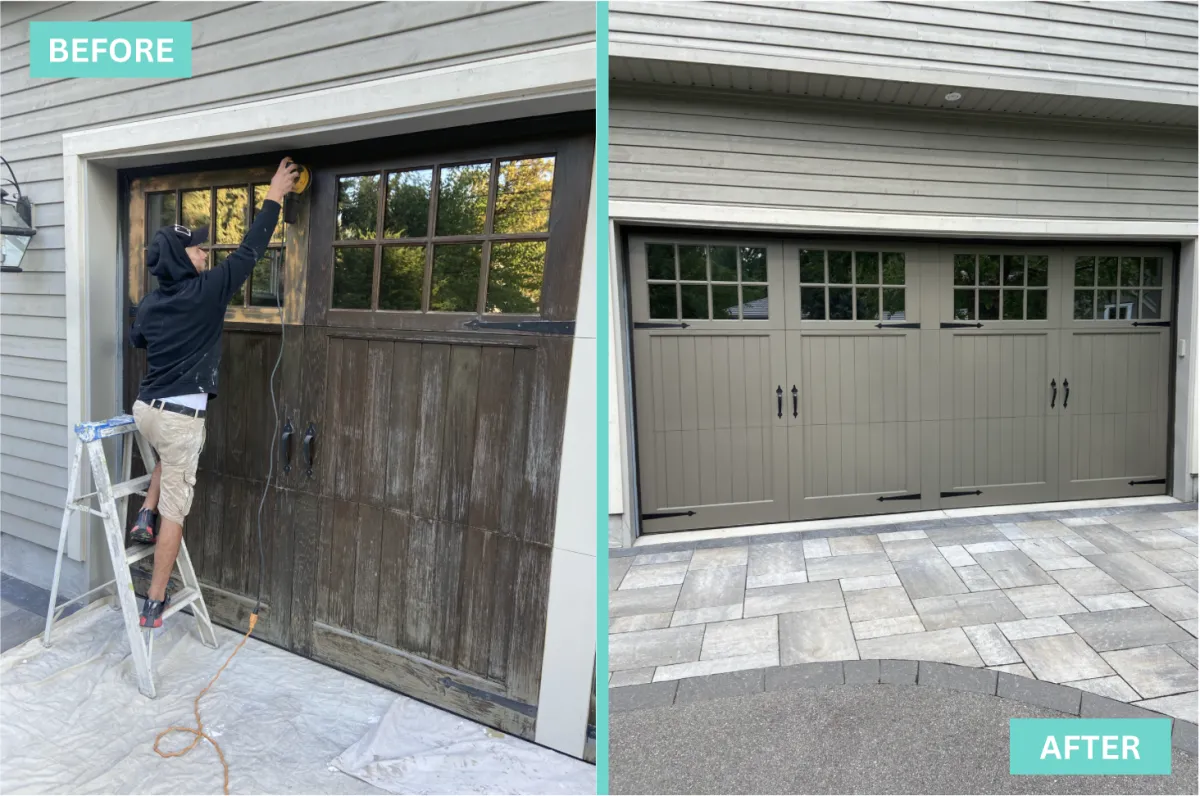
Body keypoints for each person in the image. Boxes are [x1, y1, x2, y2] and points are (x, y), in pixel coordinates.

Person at [127, 157, 299, 628]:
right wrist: (274, 195)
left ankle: (144, 511)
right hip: (180, 416)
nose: (206, 255)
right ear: (184, 258)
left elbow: (136, 340)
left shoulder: (149, 304)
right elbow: (251, 251)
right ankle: (155, 601)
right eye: (200, 251)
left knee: (169, 453)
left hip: (146, 409)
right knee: (176, 512)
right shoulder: (205, 292)